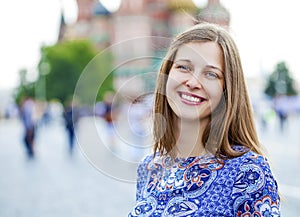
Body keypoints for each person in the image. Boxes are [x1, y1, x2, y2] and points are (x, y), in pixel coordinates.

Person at [128, 23, 280, 216]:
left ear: (227, 90)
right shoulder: (149, 168)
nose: (193, 82)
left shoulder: (248, 172)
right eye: (184, 67)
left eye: (211, 74)